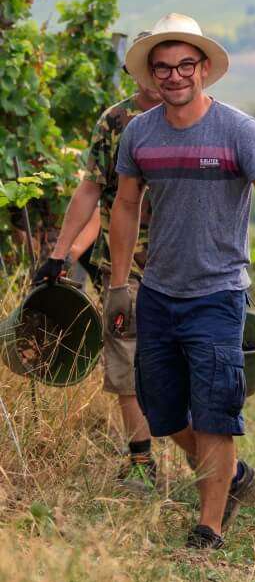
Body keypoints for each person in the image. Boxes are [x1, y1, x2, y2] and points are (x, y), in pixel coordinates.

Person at [109, 13, 255, 550]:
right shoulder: (140, 133)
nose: (175, 76)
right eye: (163, 68)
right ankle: (230, 475)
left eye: (185, 64)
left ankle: (209, 525)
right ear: (151, 75)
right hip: (158, 292)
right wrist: (119, 285)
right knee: (161, 411)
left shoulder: (238, 131)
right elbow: (124, 205)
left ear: (204, 68)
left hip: (217, 293)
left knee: (215, 409)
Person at [33, 37, 160, 488]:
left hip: (184, 265)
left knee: (177, 361)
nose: (159, 74)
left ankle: (199, 454)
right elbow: (90, 188)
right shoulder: (116, 120)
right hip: (123, 266)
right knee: (125, 360)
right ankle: (142, 459)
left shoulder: (200, 118)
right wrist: (58, 252)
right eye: (149, 65)